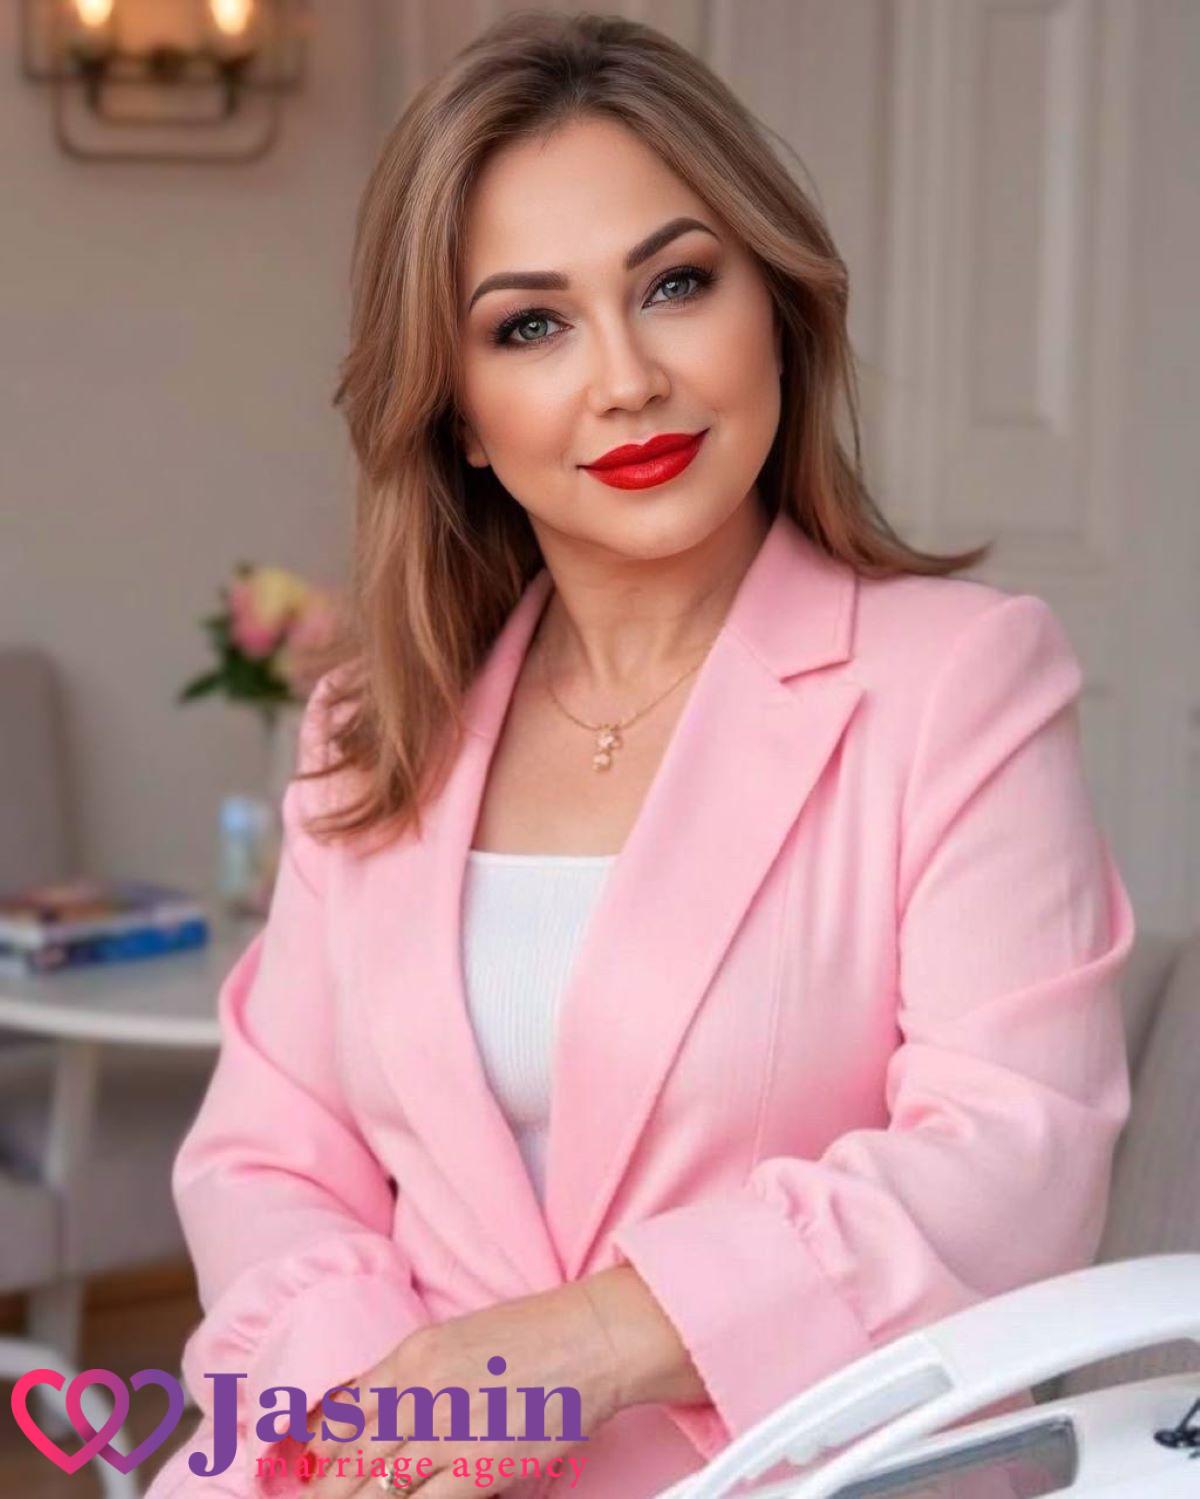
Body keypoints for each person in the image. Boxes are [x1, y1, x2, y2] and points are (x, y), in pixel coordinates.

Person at [145, 12, 1135, 1499]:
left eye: (675, 284)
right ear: (459, 415)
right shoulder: (371, 729)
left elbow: (1015, 1158)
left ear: (775, 305)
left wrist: (584, 1346)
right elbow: (268, 1161)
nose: (626, 379)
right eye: (529, 326)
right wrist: (392, 1423)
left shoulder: (958, 683)